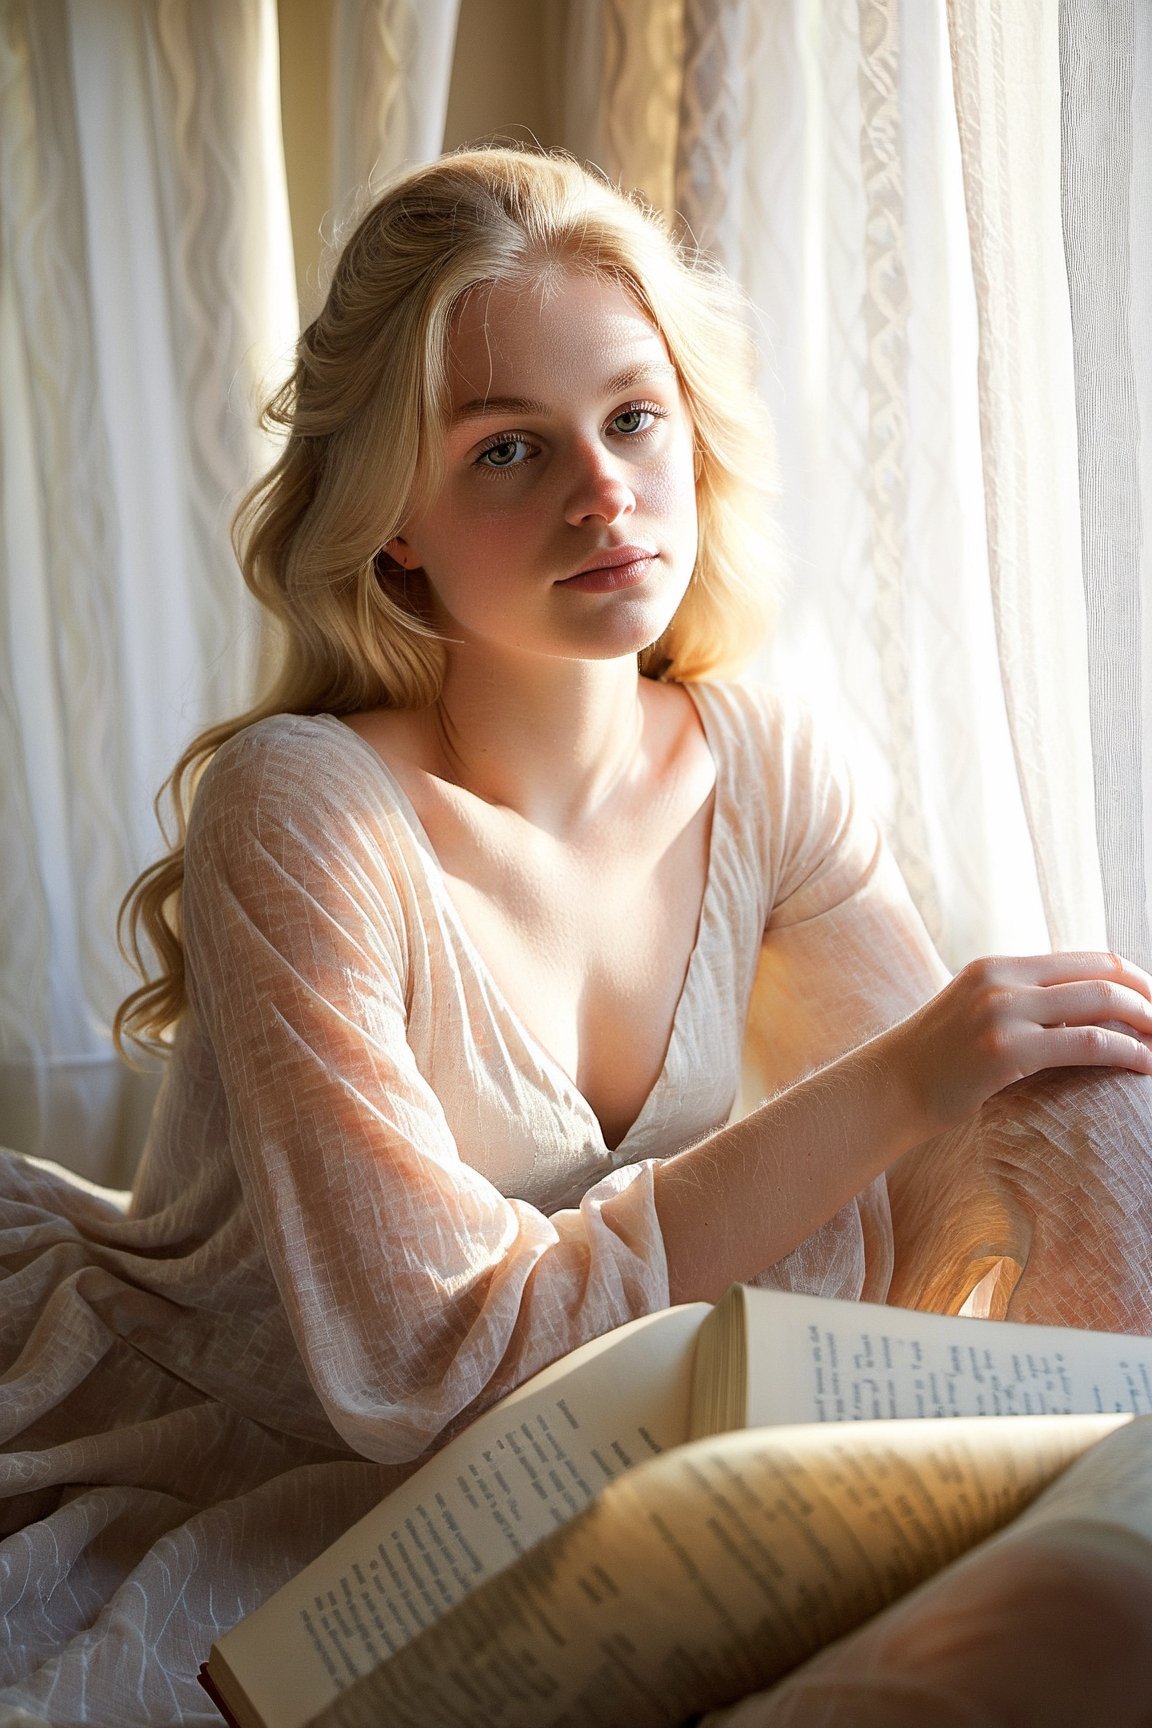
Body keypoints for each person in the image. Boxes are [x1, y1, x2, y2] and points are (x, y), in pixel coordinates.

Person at [2, 145, 1151, 1727]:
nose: (602, 490)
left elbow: (921, 1192)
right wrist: (901, 1079)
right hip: (248, 1447)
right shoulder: (301, 812)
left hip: (575, 1453)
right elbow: (420, 1370)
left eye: (632, 419)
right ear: (393, 523)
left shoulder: (764, 760)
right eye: (504, 452)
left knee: (1083, 1087)